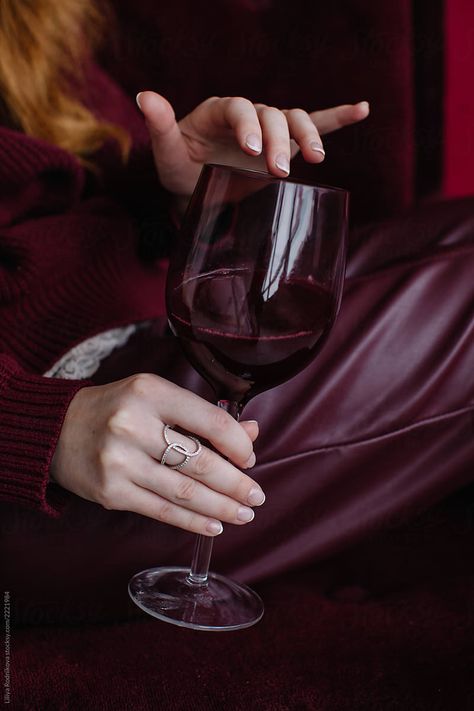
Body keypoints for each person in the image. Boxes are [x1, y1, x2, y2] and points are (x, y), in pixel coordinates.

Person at [1, 0, 473, 624]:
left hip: (141, 341)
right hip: (46, 468)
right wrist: (41, 428)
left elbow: (50, 230)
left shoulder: (29, 23)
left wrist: (181, 192)